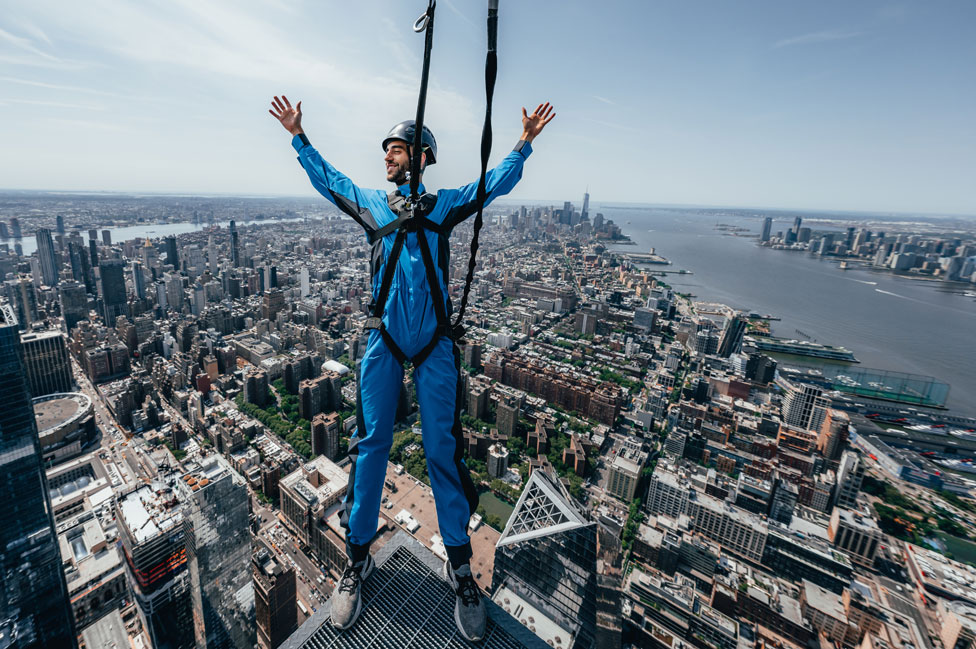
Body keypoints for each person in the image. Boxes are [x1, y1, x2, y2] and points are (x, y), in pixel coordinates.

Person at [269, 94, 554, 641]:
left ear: (421, 156)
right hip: (384, 342)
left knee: (442, 452)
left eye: (395, 150)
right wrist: (299, 138)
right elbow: (332, 183)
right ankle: (357, 561)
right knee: (371, 446)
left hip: (435, 346)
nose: (387, 159)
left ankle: (461, 569)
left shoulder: (443, 207)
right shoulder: (377, 207)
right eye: (387, 152)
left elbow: (490, 186)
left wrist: (523, 143)